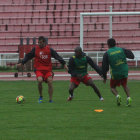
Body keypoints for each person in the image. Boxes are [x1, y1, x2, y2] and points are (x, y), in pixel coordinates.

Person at [17, 36, 68, 103]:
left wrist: (64, 64)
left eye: (40, 42)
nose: (39, 44)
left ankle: (50, 100)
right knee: (40, 80)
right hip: (39, 69)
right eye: (38, 42)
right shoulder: (35, 49)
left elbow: (57, 56)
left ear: (44, 42)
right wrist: (22, 63)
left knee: (50, 81)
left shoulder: (49, 50)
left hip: (48, 70)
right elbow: (28, 56)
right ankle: (41, 96)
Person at [102, 38, 134, 106]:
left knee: (112, 87)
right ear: (115, 43)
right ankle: (129, 98)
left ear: (108, 45)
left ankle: (117, 96)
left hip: (115, 73)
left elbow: (105, 67)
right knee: (124, 85)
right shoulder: (121, 49)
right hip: (124, 71)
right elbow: (132, 56)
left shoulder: (107, 53)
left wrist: (104, 77)